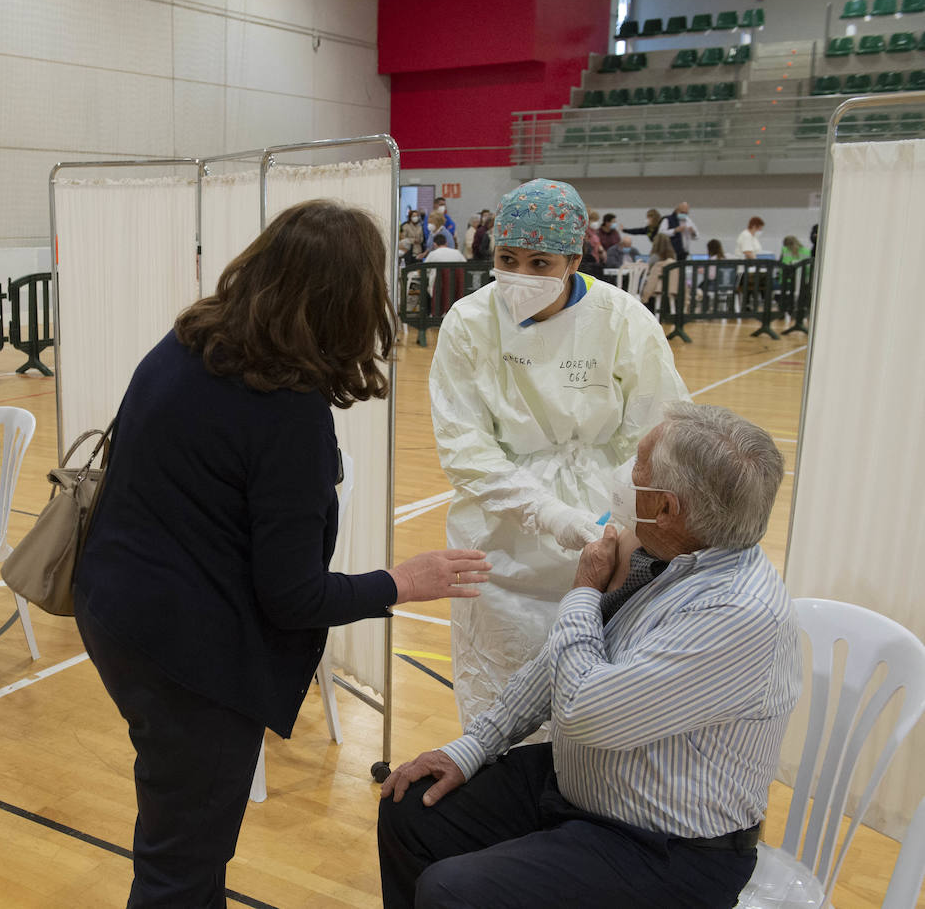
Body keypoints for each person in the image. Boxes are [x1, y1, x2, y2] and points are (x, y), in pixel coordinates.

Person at [74, 199, 493, 908]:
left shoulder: (189, 342)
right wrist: (402, 581)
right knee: (182, 862)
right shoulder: (287, 411)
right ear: (346, 303)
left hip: (117, 610)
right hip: (187, 655)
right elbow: (293, 596)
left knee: (181, 833)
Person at [378, 403, 800, 909]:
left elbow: (582, 711)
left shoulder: (737, 613)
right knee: (408, 809)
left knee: (452, 893)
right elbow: (560, 661)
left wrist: (582, 591)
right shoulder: (666, 551)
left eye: (637, 465)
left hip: (666, 847)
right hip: (584, 788)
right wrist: (472, 747)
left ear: (667, 508)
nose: (624, 475)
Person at [429, 178, 689, 733]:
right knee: (500, 686)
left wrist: (619, 516)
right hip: (501, 532)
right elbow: (466, 447)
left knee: (589, 684)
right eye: (507, 258)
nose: (520, 275)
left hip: (605, 523)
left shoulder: (621, 319)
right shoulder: (470, 323)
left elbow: (658, 429)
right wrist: (549, 514)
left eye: (539, 262)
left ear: (573, 260)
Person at [640, 231, 678, 312]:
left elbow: (648, 271)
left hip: (656, 288)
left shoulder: (655, 257)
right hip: (672, 287)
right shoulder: (673, 258)